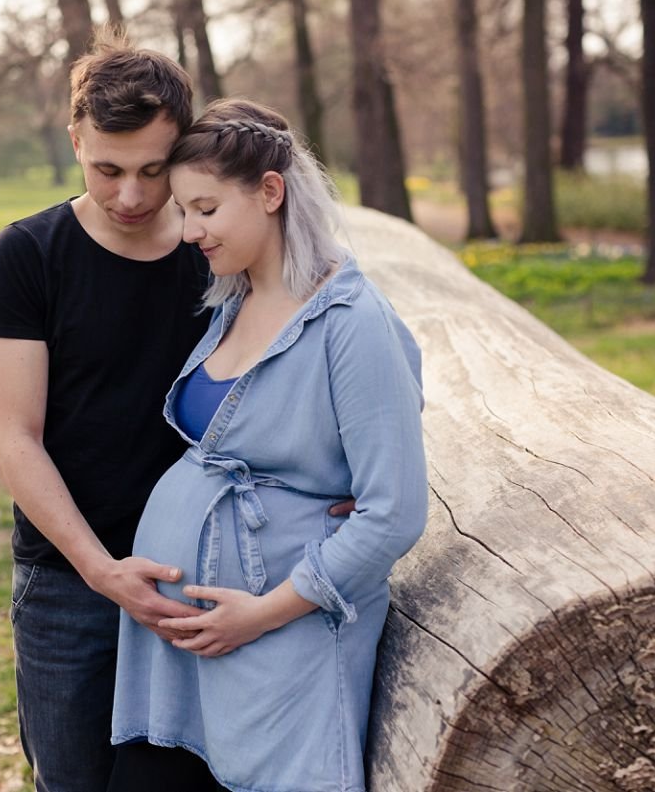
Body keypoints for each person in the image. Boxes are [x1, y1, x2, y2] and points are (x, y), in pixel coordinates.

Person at [108, 99, 428, 792]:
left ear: (271, 192)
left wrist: (260, 613)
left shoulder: (351, 321)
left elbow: (395, 510)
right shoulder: (236, 298)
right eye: (184, 211)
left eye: (205, 209)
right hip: (185, 645)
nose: (189, 231)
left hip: (280, 642)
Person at [0, 36, 216, 792]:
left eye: (154, 169)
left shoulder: (222, 249)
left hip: (203, 578)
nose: (134, 196)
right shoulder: (26, 256)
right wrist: (102, 570)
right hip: (68, 584)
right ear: (76, 139)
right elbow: (14, 439)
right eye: (108, 169)